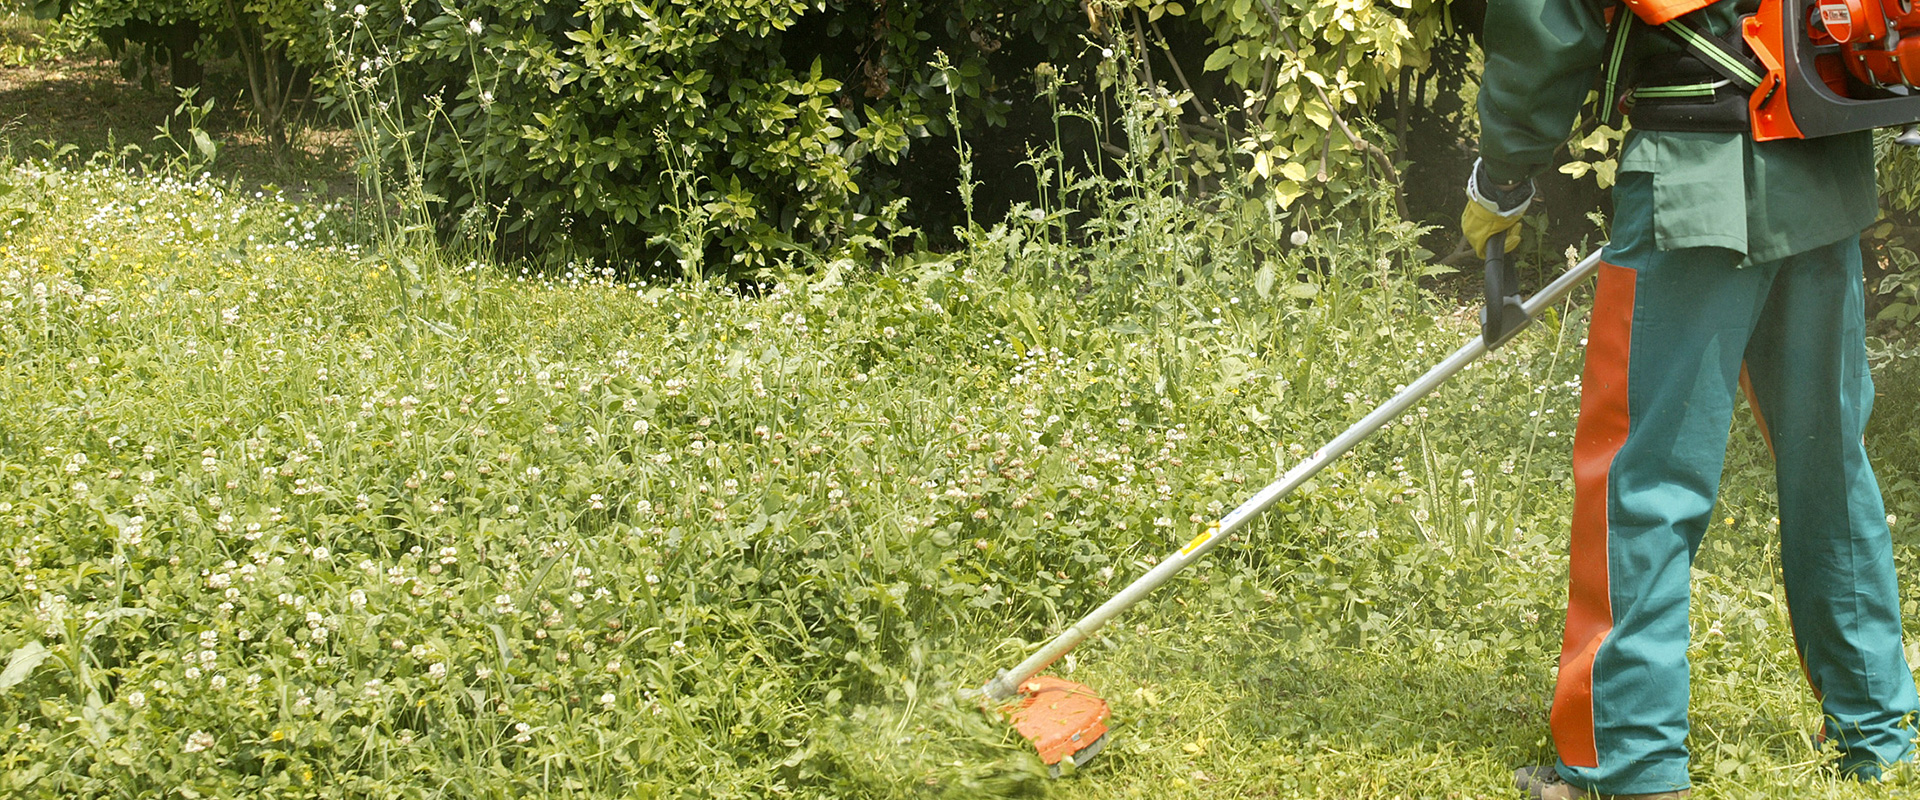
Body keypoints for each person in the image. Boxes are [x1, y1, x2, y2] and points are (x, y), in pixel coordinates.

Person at [1461, 0, 1920, 796]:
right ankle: (1879, 729)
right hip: (1824, 155)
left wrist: (1501, 172)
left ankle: (1628, 757)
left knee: (1641, 477)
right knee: (1829, 467)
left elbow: (1548, 24)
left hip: (1696, 177)